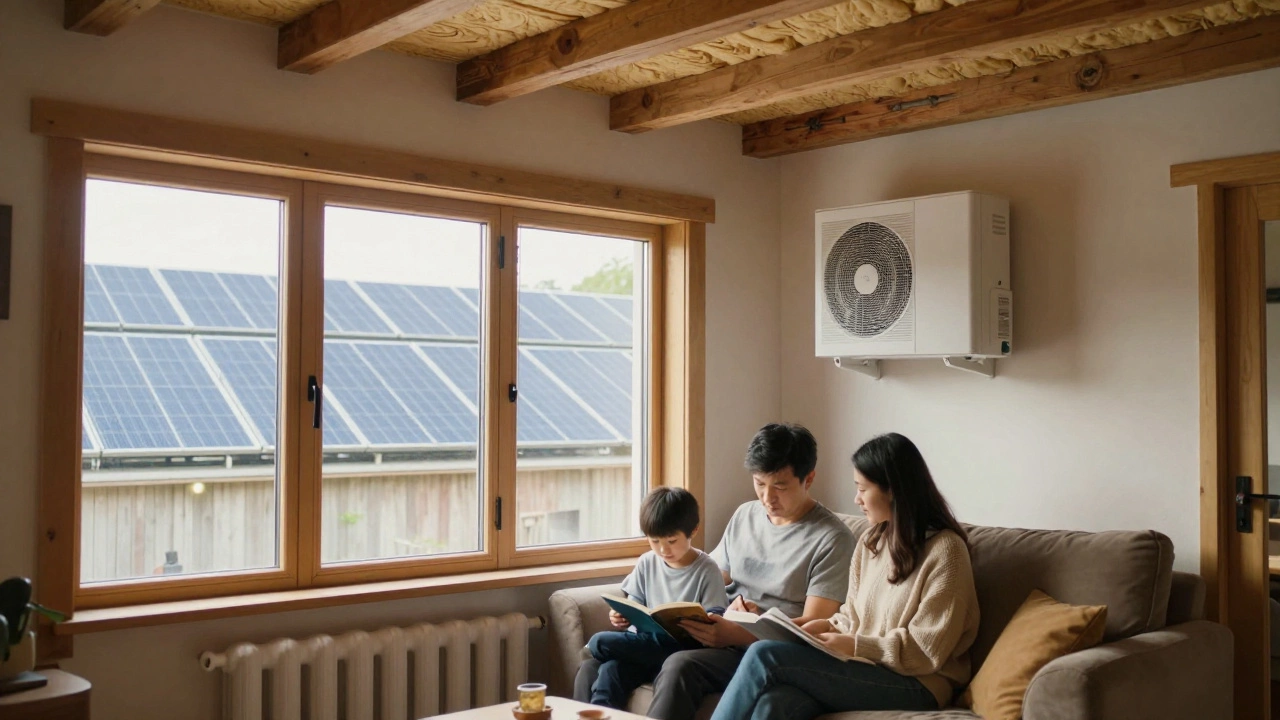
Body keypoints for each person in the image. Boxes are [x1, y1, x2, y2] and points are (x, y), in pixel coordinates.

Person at [575, 423, 857, 720]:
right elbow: (707, 573)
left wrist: (745, 629)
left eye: (780, 486)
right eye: (760, 484)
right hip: (715, 629)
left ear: (808, 478)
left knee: (680, 665)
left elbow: (817, 624)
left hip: (761, 650)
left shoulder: (832, 538)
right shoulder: (745, 515)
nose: (767, 498)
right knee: (592, 667)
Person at [709, 433, 980, 720]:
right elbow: (851, 617)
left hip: (920, 684)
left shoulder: (946, 551)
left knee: (765, 655)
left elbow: (926, 652)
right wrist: (816, 628)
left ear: (894, 491)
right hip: (862, 667)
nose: (856, 499)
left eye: (863, 489)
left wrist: (853, 644)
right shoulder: (871, 543)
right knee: (775, 704)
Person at [584, 487, 728, 709]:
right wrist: (622, 616)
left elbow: (715, 618)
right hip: (646, 647)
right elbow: (633, 604)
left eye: (671, 541)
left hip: (681, 649)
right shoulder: (646, 562)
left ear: (693, 530)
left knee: (599, 643)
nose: (663, 549)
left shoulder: (707, 569)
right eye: (655, 541)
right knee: (609, 670)